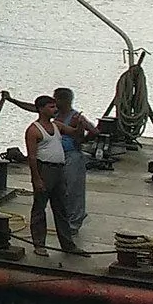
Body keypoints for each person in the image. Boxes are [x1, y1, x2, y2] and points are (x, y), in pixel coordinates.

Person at [24, 95, 92, 257]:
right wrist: (36, 178)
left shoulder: (57, 126)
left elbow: (76, 134)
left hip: (59, 170)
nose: (55, 110)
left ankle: (68, 244)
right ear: (41, 109)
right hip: (44, 169)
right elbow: (32, 157)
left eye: (55, 106)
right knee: (40, 208)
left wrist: (79, 124)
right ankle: (39, 244)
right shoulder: (33, 130)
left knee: (61, 208)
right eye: (51, 107)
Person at [52, 85, 97, 245]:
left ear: (63, 100)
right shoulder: (55, 113)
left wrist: (82, 139)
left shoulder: (76, 116)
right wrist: (12, 101)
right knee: (62, 189)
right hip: (58, 155)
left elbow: (94, 131)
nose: (54, 102)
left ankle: (75, 221)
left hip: (72, 156)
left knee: (74, 189)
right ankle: (67, 219)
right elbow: (34, 107)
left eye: (55, 99)